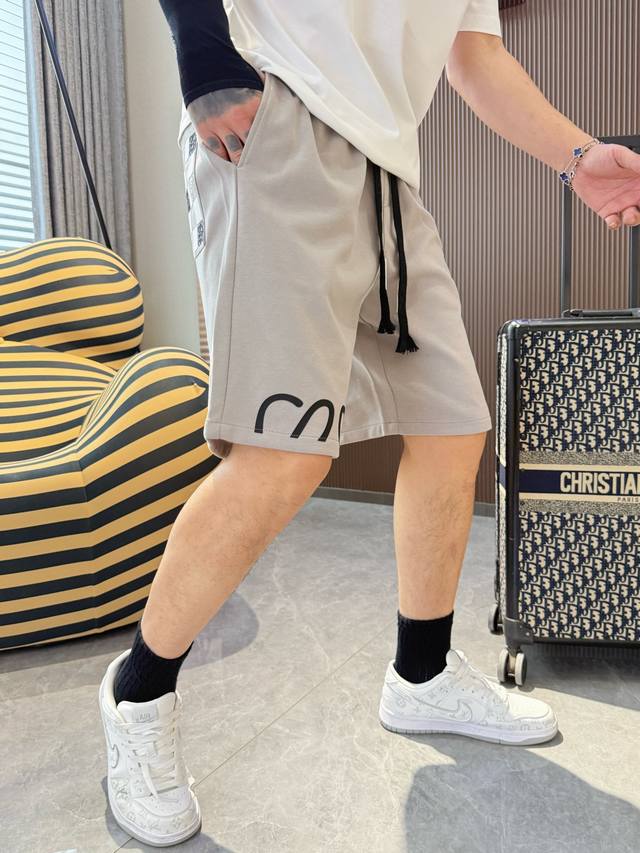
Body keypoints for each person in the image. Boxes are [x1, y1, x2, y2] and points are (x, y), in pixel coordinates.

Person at [98, 0, 640, 845]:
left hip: (388, 175)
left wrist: (577, 157)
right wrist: (204, 60)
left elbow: (473, 58)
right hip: (272, 125)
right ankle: (137, 694)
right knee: (282, 454)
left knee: (452, 427)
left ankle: (421, 674)